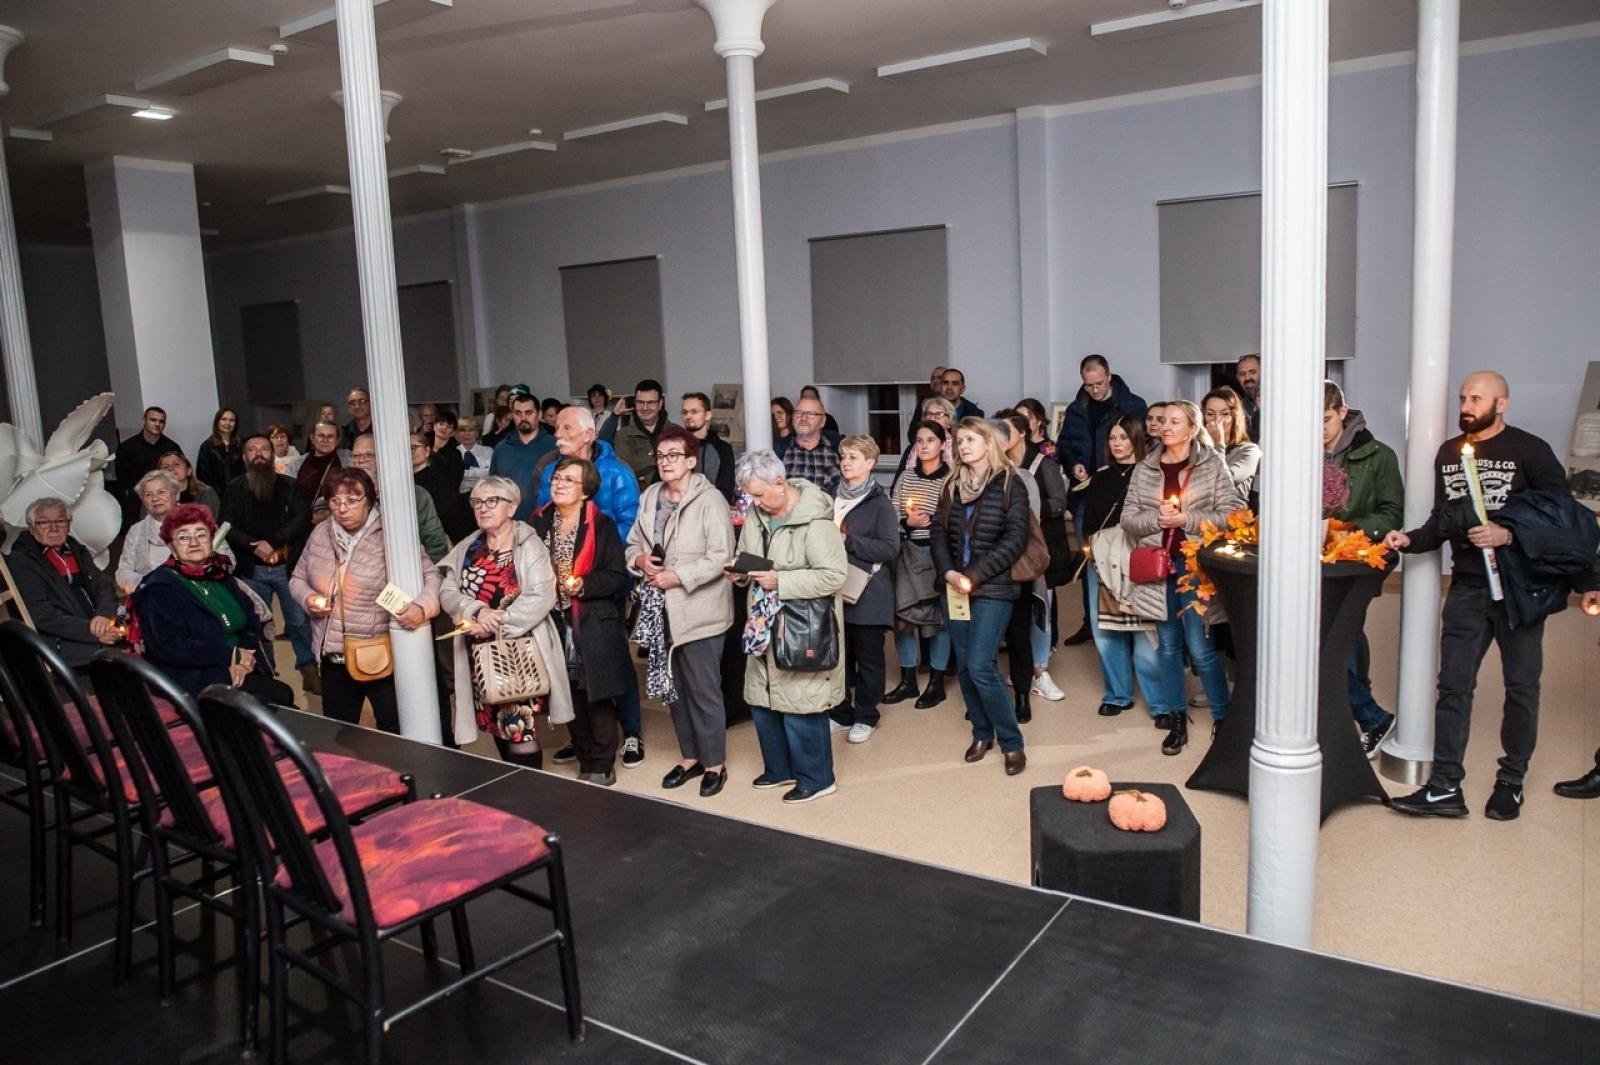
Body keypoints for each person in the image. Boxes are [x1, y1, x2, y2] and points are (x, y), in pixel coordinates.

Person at [1385, 371, 1570, 820]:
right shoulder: (1450, 453)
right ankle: (1446, 786)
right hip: (1468, 588)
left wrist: (1508, 534)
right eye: (1464, 397)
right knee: (1453, 687)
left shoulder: (1531, 450)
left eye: (1476, 398)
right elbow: (1442, 521)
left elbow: (1560, 514)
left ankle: (1511, 782)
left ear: (1501, 404)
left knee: (1521, 686)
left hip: (1520, 590)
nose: (1466, 406)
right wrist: (1410, 540)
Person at [1121, 400, 1239, 755]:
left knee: (1201, 647)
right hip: (1158, 568)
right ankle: (1175, 715)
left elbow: (1232, 513)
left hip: (1196, 567)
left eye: (1175, 422)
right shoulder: (1145, 467)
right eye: (1163, 422)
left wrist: (1186, 519)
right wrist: (1157, 520)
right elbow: (1129, 519)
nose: (1166, 427)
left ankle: (1224, 718)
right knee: (1168, 646)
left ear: (1192, 428)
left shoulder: (1211, 464)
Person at [731, 449, 847, 803]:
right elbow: (748, 555)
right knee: (762, 697)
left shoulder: (817, 521)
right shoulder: (756, 512)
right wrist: (739, 571)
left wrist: (780, 581)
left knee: (801, 701)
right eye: (752, 496)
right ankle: (779, 768)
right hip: (763, 619)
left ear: (780, 482)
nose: (757, 503)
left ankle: (816, 778)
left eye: (761, 494)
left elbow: (834, 576)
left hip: (804, 623)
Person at [626, 427, 736, 797]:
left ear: (691, 460)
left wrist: (678, 577)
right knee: (673, 689)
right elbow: (632, 545)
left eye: (674, 455)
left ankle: (715, 763)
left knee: (703, 690)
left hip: (699, 610)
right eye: (660, 455)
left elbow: (721, 557)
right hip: (661, 611)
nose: (665, 462)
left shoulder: (711, 500)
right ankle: (690, 756)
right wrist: (639, 560)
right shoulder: (649, 497)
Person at [439, 475, 575, 768]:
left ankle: (530, 794)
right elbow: (447, 592)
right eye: (477, 502)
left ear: (512, 507)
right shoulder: (468, 548)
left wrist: (498, 622)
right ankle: (513, 785)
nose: (483, 508)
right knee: (496, 725)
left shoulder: (529, 544)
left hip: (517, 652)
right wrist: (477, 611)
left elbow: (542, 595)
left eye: (492, 501)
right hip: (478, 652)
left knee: (519, 728)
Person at [290, 466, 438, 734]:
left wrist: (421, 608)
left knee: (393, 730)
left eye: (351, 500)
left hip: (379, 652)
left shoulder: (391, 535)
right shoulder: (321, 533)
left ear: (369, 499)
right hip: (333, 654)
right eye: (335, 501)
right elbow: (297, 579)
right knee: (339, 732)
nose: (342, 508)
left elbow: (432, 577)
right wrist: (308, 598)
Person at [534, 406, 644, 764]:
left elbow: (630, 523)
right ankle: (581, 737)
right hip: (560, 595)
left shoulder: (616, 472)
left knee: (611, 663)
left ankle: (630, 734)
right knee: (569, 664)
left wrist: (597, 554)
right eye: (557, 427)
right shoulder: (551, 469)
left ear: (588, 434)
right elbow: (543, 517)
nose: (558, 433)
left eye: (567, 427)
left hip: (604, 582)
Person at [931, 418, 1031, 775]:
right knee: (966, 668)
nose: (963, 446)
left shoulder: (1009, 484)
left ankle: (1012, 742)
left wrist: (972, 575)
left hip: (993, 587)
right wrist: (949, 573)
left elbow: (1015, 539)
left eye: (971, 439)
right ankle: (981, 732)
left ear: (989, 443)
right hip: (954, 587)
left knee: (980, 664)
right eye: (959, 441)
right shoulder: (951, 485)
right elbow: (938, 535)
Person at [131, 503, 293, 704]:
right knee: (274, 698)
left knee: (280, 696)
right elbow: (170, 647)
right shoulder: (159, 587)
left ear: (211, 540)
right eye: (183, 537)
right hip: (191, 678)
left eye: (201, 534)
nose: (194, 542)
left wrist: (243, 659)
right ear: (171, 546)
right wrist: (230, 656)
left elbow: (252, 621)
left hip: (239, 666)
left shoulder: (220, 576)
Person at [1323, 381, 1405, 754]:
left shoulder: (1379, 456)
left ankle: (1369, 716)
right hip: (1313, 559)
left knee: (1340, 631)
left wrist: (1349, 531)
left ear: (1343, 412)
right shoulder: (1299, 450)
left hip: (1358, 559)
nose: (1318, 428)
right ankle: (1359, 711)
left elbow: (1392, 513)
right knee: (1343, 632)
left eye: (1325, 418)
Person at [1081, 414, 1162, 718]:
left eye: (1123, 438)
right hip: (1101, 559)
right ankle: (1117, 694)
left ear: (1138, 440)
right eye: (1112, 438)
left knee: (1146, 631)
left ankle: (1160, 703)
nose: (1117, 444)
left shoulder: (1152, 474)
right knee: (1105, 630)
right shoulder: (1101, 476)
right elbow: (1089, 520)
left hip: (1138, 560)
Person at [222, 433, 316, 693]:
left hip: (288, 567)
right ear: (244, 457)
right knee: (261, 624)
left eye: (264, 449)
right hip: (252, 569)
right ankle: (268, 672)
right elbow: (227, 525)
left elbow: (300, 519)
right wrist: (255, 545)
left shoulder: (290, 485)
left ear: (272, 454)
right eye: (252, 449)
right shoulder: (234, 488)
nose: (259, 454)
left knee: (298, 621)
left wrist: (272, 542)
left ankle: (308, 669)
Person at [824, 436, 899, 744]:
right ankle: (841, 711)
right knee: (839, 656)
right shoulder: (830, 495)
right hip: (833, 587)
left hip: (868, 591)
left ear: (870, 463)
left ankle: (866, 715)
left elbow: (890, 548)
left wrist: (849, 542)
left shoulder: (880, 503)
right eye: (843, 456)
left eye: (853, 457)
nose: (845, 462)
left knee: (868, 657)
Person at [998, 412, 1066, 709]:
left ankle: (1040, 671)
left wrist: (1026, 505)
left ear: (1022, 434)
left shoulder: (1040, 463)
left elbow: (1059, 502)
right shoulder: (993, 468)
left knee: (1040, 610)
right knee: (1011, 618)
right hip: (1003, 556)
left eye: (1006, 431)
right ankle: (1019, 671)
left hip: (1037, 549)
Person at [10, 497, 123, 669]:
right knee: (116, 666)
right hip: (64, 643)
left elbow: (103, 585)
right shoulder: (23, 561)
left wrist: (104, 615)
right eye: (44, 523)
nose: (54, 528)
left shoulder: (76, 549)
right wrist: (93, 632)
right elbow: (42, 615)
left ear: (69, 524)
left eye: (60, 521)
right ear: (32, 527)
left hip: (100, 628)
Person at [886, 419, 952, 709]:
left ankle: (937, 681)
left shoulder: (951, 479)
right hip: (908, 552)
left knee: (940, 620)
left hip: (938, 554)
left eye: (930, 440)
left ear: (942, 444)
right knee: (905, 618)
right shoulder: (905, 478)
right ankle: (908, 679)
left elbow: (956, 519)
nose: (924, 445)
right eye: (919, 441)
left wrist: (934, 522)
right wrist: (906, 521)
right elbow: (891, 515)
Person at [116, 469, 235, 595]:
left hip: (201, 594)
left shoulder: (200, 521)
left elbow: (229, 561)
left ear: (176, 494)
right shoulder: (137, 530)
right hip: (153, 596)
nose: (155, 498)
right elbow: (123, 571)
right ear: (143, 501)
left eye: (161, 492)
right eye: (148, 495)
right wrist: (146, 584)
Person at [349, 435, 449, 562]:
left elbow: (435, 545)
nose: (361, 460)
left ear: (384, 458)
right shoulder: (342, 498)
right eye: (356, 455)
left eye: (369, 455)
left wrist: (429, 576)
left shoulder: (415, 495)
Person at [1057, 355, 1149, 488]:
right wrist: (1073, 465)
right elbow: (1064, 444)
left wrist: (1114, 468)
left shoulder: (1133, 405)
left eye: (1099, 383)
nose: (1095, 390)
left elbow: (1143, 444)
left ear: (1109, 376)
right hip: (1083, 488)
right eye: (1089, 385)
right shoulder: (1075, 409)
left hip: (1123, 483)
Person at [488, 385, 557, 522]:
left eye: (529, 412)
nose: (523, 417)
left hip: (548, 522)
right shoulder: (501, 449)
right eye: (518, 413)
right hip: (510, 524)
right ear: (512, 415)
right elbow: (493, 488)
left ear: (539, 414)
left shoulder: (555, 446)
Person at [113, 406, 183, 529]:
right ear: (144, 420)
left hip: (165, 502)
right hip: (136, 504)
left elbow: (178, 475)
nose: (157, 424)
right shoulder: (127, 448)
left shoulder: (172, 447)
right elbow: (122, 481)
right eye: (153, 420)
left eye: (161, 421)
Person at [608, 378, 677, 490]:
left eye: (650, 402)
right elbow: (626, 471)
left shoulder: (676, 433)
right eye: (640, 402)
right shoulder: (623, 435)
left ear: (660, 404)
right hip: (638, 501)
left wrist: (645, 472)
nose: (645, 408)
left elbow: (682, 470)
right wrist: (665, 460)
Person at [1202, 386, 1263, 501]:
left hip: (1231, 516)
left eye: (1225, 414)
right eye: (1210, 414)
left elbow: (1225, 481)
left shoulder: (1249, 450)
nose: (1217, 420)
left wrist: (1218, 444)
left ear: (1235, 417)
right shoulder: (1198, 449)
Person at [774, 393, 841, 496]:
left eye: (811, 414)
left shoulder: (838, 448)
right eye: (799, 413)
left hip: (832, 510)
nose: (803, 418)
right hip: (793, 511)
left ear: (822, 421)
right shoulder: (778, 451)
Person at [412, 430, 471, 542]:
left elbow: (450, 509)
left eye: (413, 447)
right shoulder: (404, 482)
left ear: (427, 451)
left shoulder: (440, 475)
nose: (409, 452)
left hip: (448, 535)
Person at [680, 392, 736, 501]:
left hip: (714, 510)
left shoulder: (723, 449)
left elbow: (727, 489)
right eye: (684, 412)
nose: (688, 416)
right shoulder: (675, 446)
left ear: (708, 415)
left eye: (694, 412)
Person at [285, 421, 347, 509]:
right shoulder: (295, 464)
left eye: (330, 436)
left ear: (337, 441)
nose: (325, 440)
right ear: (312, 438)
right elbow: (288, 496)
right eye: (321, 436)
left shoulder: (348, 460)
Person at [895, 396, 956, 473]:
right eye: (928, 414)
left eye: (939, 414)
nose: (932, 418)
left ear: (950, 421)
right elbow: (898, 481)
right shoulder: (912, 449)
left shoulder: (957, 448)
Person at [158, 450, 222, 521]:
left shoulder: (205, 493)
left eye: (176, 464)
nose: (170, 469)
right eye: (165, 467)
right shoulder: (154, 496)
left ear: (189, 470)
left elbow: (212, 522)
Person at [196, 408, 245, 493]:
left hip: (241, 492)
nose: (227, 423)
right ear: (217, 421)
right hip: (217, 496)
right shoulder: (207, 446)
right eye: (224, 419)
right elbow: (203, 475)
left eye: (232, 420)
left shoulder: (243, 443)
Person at [456, 415, 494, 496]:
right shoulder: (453, 453)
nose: (467, 434)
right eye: (463, 430)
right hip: (459, 497)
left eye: (471, 430)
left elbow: (491, 474)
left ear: (477, 433)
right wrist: (481, 472)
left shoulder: (488, 451)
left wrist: (465, 473)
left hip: (485, 494)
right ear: (458, 434)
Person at [1234, 353, 1262, 443]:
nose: (1247, 377)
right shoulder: (1238, 409)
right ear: (1238, 378)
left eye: (1252, 372)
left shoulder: (1280, 403)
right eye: (1242, 374)